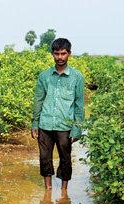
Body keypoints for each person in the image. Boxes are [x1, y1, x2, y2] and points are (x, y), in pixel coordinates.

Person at [31, 38, 85, 190]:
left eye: (63, 53)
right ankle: (48, 189)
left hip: (65, 125)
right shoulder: (44, 76)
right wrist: (35, 123)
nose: (60, 57)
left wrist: (77, 128)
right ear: (52, 54)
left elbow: (79, 105)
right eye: (57, 54)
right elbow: (38, 100)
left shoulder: (77, 77)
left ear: (69, 54)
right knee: (44, 158)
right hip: (45, 124)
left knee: (65, 158)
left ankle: (63, 190)